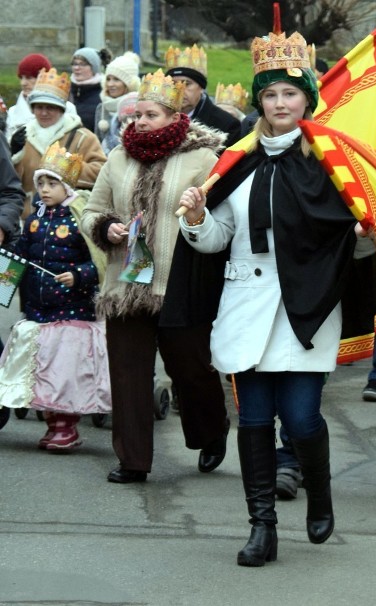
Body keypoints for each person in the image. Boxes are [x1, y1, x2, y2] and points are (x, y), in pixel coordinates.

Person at [176, 27, 376, 567]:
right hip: (246, 304)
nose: (279, 103)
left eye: (289, 93)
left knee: (301, 420)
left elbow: (349, 240)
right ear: (258, 101)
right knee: (252, 421)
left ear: (307, 98)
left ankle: (319, 493)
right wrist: (197, 220)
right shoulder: (236, 162)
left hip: (307, 307)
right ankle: (261, 526)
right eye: (269, 95)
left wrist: (363, 237)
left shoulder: (330, 163)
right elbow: (218, 239)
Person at [80, 69, 230, 484]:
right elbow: (92, 211)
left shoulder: (203, 158)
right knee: (128, 374)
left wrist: (199, 212)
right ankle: (133, 460)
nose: (139, 122)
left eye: (150, 114)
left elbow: (222, 219)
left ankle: (210, 432)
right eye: (136, 114)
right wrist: (105, 226)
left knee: (191, 368)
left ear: (175, 116)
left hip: (180, 285)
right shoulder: (117, 157)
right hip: (126, 286)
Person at [0, 142, 108, 450]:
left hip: (72, 311)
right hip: (38, 309)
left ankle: (66, 426)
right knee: (42, 366)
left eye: (53, 183)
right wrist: (6, 262)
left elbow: (99, 260)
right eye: (41, 183)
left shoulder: (80, 219)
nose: (45, 189)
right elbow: (22, 253)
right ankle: (51, 423)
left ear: (67, 186)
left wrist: (79, 275)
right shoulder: (34, 219)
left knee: (65, 371)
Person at [10, 68, 106, 217]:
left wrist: (67, 166)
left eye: (50, 108)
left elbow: (101, 173)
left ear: (62, 110)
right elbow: (9, 184)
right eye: (39, 107)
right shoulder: (22, 136)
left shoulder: (83, 137)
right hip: (28, 219)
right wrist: (13, 155)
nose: (43, 112)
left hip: (68, 221)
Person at [165, 44, 241, 147]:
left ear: (201, 88)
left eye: (187, 84)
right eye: (173, 84)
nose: (179, 90)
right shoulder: (157, 119)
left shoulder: (226, 125)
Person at [93, 52, 141, 149]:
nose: (110, 84)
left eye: (116, 79)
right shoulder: (101, 107)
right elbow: (97, 141)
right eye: (108, 79)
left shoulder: (139, 107)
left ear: (129, 84)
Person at [6, 54, 53, 143]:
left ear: (43, 78)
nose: (23, 83)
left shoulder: (65, 108)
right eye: (21, 78)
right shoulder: (12, 113)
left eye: (29, 77)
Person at [70, 47, 110, 132]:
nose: (77, 68)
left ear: (94, 67)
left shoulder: (104, 93)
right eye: (74, 64)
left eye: (82, 64)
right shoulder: (66, 90)